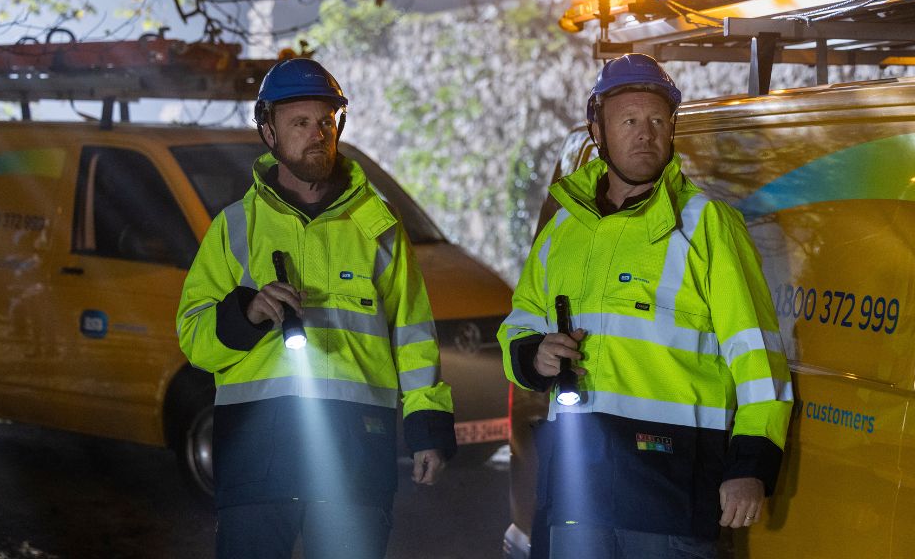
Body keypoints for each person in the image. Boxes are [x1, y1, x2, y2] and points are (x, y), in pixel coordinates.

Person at [499, 53, 793, 559]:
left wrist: (751, 465)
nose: (646, 133)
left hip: (672, 488)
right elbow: (520, 322)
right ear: (599, 130)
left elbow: (757, 355)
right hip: (579, 486)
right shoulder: (564, 231)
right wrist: (535, 356)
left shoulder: (707, 225)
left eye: (658, 120)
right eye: (629, 120)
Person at [176, 58, 456, 559]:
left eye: (325, 122)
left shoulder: (379, 227)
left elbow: (414, 335)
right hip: (257, 453)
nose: (316, 134)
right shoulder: (235, 227)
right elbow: (194, 341)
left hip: (355, 452)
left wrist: (427, 430)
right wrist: (249, 314)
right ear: (269, 132)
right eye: (299, 123)